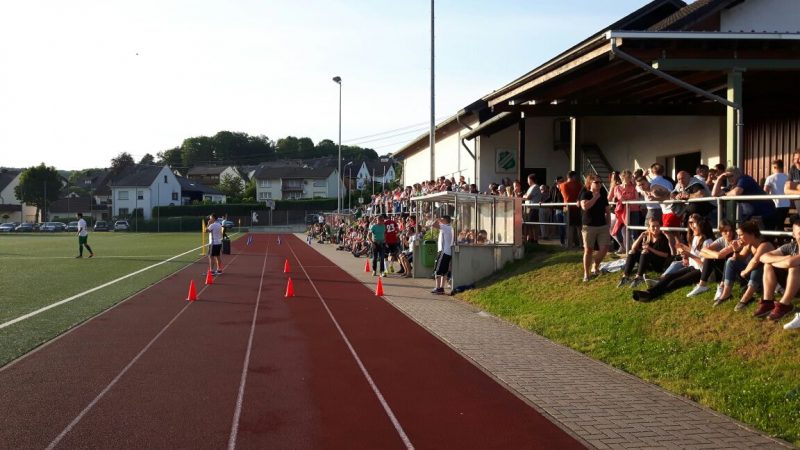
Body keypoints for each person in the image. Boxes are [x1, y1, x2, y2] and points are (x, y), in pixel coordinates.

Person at [632, 214, 714, 301]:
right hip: (692, 267)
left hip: (700, 271)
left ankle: (651, 295)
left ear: (700, 225)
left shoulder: (707, 242)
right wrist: (684, 251)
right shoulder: (695, 237)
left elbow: (705, 264)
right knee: (669, 277)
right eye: (689, 223)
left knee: (676, 282)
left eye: (693, 223)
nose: (690, 226)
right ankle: (648, 292)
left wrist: (689, 255)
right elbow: (695, 253)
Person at [712, 221, 774, 309]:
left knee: (759, 266)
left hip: (769, 280)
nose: (739, 238)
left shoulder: (765, 245)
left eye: (741, 235)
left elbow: (755, 261)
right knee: (731, 261)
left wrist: (745, 272)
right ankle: (726, 294)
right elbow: (739, 258)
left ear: (751, 234)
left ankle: (745, 299)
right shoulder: (749, 245)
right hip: (754, 277)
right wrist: (736, 250)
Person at [755, 217, 800, 322]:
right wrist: (785, 258)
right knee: (768, 265)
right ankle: (768, 303)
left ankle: (785, 305)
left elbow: (791, 263)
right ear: (793, 235)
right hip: (793, 285)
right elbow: (763, 257)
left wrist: (784, 261)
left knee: (794, 268)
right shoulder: (791, 246)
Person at [685, 219, 736, 300]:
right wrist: (716, 255)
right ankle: (702, 285)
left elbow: (721, 255)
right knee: (709, 257)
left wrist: (716, 255)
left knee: (728, 256)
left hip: (737, 271)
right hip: (722, 269)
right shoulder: (722, 239)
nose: (729, 233)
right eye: (725, 231)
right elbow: (702, 252)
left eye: (730, 230)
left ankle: (722, 287)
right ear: (721, 232)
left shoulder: (735, 241)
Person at [617, 217, 670, 288]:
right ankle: (625, 277)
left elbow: (665, 255)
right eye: (653, 226)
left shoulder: (663, 238)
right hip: (648, 262)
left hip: (658, 264)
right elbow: (633, 247)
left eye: (657, 226)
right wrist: (640, 237)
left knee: (645, 252)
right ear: (649, 228)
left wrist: (649, 248)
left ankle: (639, 277)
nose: (656, 228)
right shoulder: (647, 237)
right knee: (632, 252)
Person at [579, 175, 610, 282]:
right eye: (596, 182)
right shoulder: (585, 194)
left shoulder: (603, 194)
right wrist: (594, 198)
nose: (599, 184)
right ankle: (586, 274)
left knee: (605, 248)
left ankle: (595, 265)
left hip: (602, 226)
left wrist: (609, 224)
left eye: (600, 182)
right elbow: (585, 206)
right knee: (588, 250)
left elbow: (607, 210)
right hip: (589, 226)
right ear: (590, 183)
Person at [764, 159, 790, 230]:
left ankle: (777, 240)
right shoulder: (787, 177)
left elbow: (765, 191)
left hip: (776, 205)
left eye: (772, 167)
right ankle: (780, 240)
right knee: (780, 224)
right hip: (787, 205)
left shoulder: (770, 178)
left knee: (775, 224)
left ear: (775, 167)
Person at [431, 215, 454, 295]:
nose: (441, 220)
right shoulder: (449, 227)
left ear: (445, 220)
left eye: (442, 219)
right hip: (447, 252)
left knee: (437, 270)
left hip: (443, 252)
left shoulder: (446, 227)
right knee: (443, 271)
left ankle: (438, 287)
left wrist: (437, 219)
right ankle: (441, 288)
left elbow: (433, 224)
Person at [560, 171, 583, 248]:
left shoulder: (562, 185)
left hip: (567, 207)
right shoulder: (578, 185)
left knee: (569, 227)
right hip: (576, 207)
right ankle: (581, 244)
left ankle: (569, 244)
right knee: (579, 227)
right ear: (573, 177)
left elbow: (565, 197)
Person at [524, 174, 541, 243]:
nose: (527, 181)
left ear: (530, 179)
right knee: (529, 225)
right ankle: (530, 238)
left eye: (528, 179)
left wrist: (525, 196)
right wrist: (525, 195)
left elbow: (528, 197)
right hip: (528, 208)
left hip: (533, 208)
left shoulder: (535, 187)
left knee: (534, 224)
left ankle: (535, 239)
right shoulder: (530, 187)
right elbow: (525, 195)